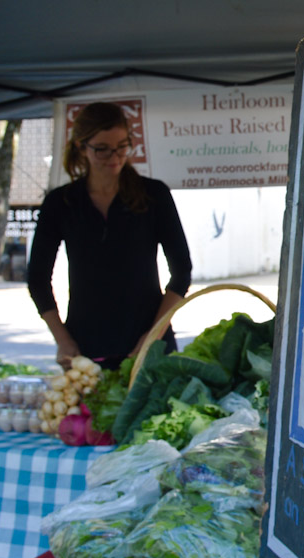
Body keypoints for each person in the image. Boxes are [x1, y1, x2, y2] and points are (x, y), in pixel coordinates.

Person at [27, 102, 192, 370]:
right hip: (85, 346)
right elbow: (37, 279)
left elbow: (182, 272)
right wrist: (63, 339)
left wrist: (153, 335)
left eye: (122, 146)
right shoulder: (61, 203)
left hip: (149, 341)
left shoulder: (154, 195)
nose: (114, 157)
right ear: (81, 147)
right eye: (102, 149)